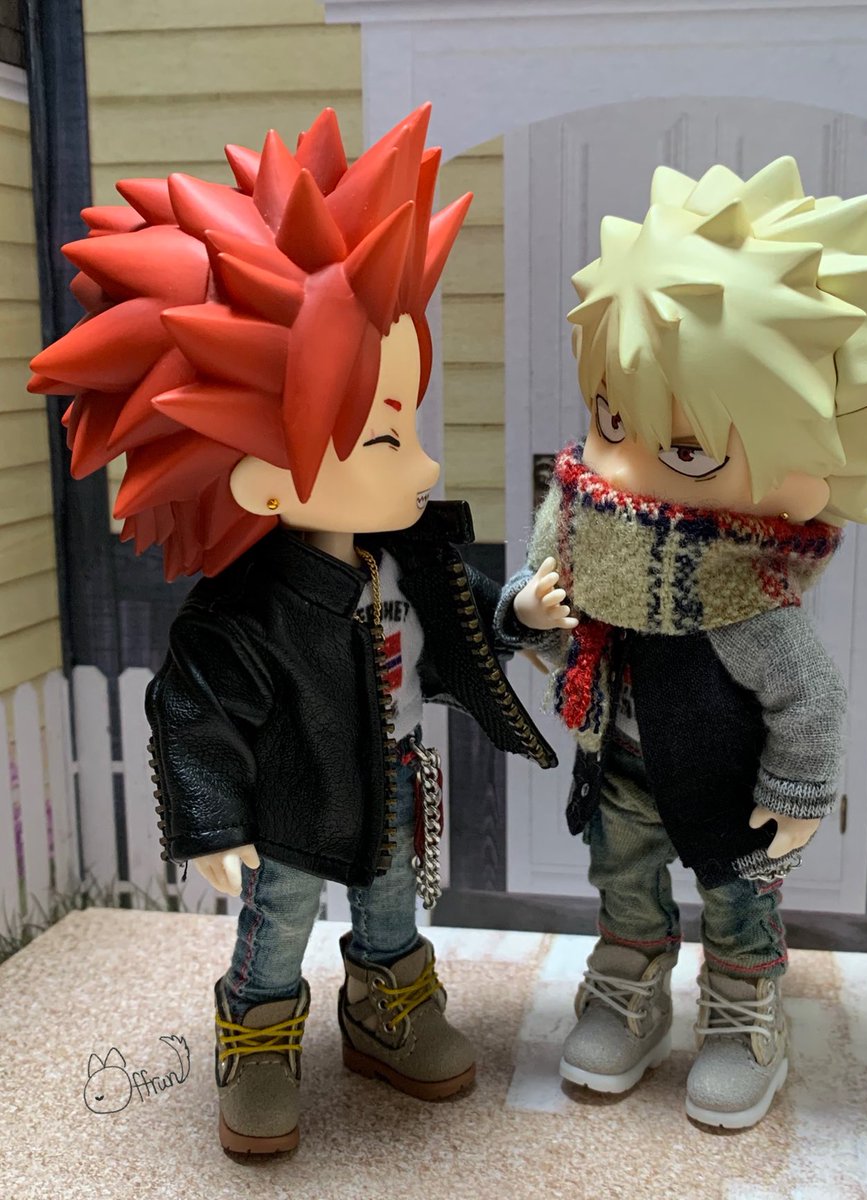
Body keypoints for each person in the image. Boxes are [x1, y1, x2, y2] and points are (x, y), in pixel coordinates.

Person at [30, 103, 555, 1154]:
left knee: (393, 902)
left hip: (392, 775)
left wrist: (517, 615)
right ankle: (259, 1036)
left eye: (407, 424)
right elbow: (195, 713)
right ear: (265, 480)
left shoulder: (406, 556)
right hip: (291, 797)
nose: (424, 464)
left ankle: (388, 1005)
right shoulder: (244, 614)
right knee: (280, 919)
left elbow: (454, 629)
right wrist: (214, 822)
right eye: (384, 437)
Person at [495, 156, 867, 1129]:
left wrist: (795, 797)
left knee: (739, 905)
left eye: (687, 448)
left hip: (731, 792)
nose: (617, 465)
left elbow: (810, 699)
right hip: (617, 768)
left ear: (807, 468)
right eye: (610, 418)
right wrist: (528, 613)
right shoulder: (581, 535)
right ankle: (629, 987)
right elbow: (554, 636)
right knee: (623, 887)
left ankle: (744, 1013)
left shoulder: (751, 600)